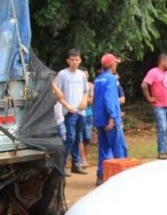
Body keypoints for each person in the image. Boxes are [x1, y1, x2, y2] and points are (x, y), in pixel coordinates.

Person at [93, 53, 128, 186]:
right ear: (112, 64)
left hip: (99, 119)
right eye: (116, 63)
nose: (116, 65)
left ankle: (101, 175)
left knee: (103, 149)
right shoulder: (111, 79)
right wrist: (113, 117)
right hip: (109, 119)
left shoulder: (98, 79)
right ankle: (121, 176)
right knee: (119, 148)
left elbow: (96, 100)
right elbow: (109, 99)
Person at [54, 48, 88, 175]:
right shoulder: (62, 74)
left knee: (78, 138)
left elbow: (86, 90)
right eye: (72, 60)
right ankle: (62, 165)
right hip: (69, 112)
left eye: (77, 59)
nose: (74, 62)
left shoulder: (82, 75)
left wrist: (84, 101)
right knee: (70, 138)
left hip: (80, 112)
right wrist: (67, 105)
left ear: (80, 60)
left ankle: (76, 163)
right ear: (68, 61)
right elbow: (56, 92)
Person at [141, 54, 167, 159]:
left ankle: (164, 149)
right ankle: (161, 152)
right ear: (163, 61)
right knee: (162, 128)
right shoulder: (153, 72)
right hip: (159, 106)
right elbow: (144, 85)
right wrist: (149, 98)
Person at [79, 67, 94, 168]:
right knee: (79, 138)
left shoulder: (91, 86)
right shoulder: (76, 86)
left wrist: (83, 101)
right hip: (79, 114)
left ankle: (85, 158)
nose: (86, 76)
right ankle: (82, 159)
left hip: (88, 114)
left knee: (87, 138)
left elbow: (92, 100)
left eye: (87, 75)